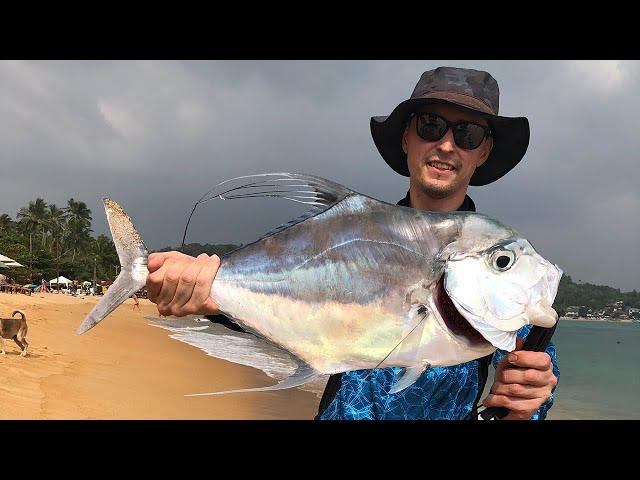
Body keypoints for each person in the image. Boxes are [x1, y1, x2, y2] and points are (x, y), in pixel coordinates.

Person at [146, 66, 559, 420]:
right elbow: (287, 302)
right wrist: (206, 293)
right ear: (406, 138)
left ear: (483, 151)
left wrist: (528, 400)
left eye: (468, 134)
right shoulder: (350, 230)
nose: (447, 144)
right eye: (431, 126)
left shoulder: (500, 267)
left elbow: (533, 386)